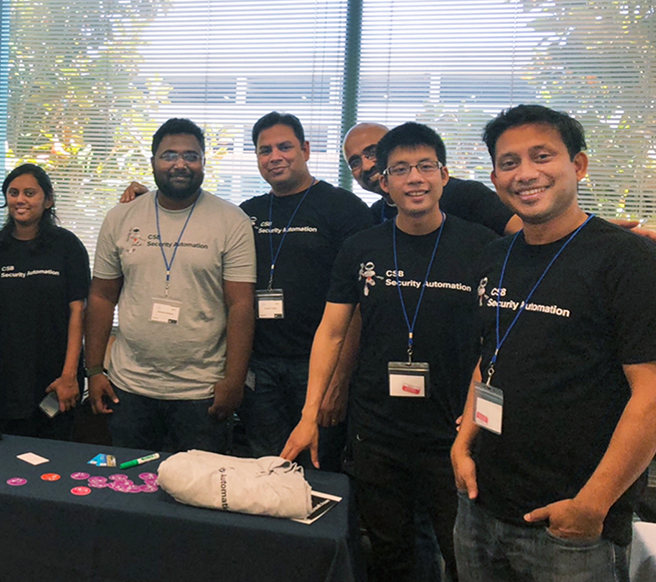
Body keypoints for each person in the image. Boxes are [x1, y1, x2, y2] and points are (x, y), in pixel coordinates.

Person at [282, 122, 498, 582]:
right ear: (385, 181)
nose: (414, 178)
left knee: (463, 555)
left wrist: (478, 413)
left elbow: (497, 340)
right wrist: (309, 413)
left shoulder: (483, 247)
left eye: (425, 167)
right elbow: (332, 332)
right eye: (400, 169)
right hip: (376, 430)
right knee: (389, 552)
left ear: (444, 175)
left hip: (452, 433)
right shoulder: (361, 248)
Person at [452, 104, 656, 582]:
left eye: (541, 156)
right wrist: (462, 445)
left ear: (578, 166)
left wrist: (593, 504)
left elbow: (650, 394)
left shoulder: (628, 260)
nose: (525, 174)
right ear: (495, 176)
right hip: (481, 504)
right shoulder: (495, 256)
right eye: (509, 162)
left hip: (568, 524)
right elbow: (491, 358)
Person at [85, 118, 256, 452]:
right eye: (169, 155)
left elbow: (241, 305)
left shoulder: (231, 220)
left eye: (191, 156)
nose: (180, 164)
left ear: (204, 162)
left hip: (201, 392)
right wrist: (93, 370)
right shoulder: (120, 218)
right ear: (153, 162)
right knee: (128, 490)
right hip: (129, 387)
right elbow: (102, 296)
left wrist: (234, 381)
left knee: (198, 495)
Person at [235, 112, 371, 468]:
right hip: (259, 365)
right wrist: (148, 198)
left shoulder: (344, 208)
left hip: (317, 368)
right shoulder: (246, 213)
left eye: (285, 147)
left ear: (306, 150)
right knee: (263, 464)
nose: (275, 157)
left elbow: (360, 302)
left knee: (318, 465)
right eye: (265, 150)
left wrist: (340, 378)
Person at [0, 163, 90, 440]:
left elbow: (78, 312)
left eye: (30, 193)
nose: (20, 200)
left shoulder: (67, 246)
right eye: (13, 192)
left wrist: (69, 375)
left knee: (51, 462)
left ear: (48, 200)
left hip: (55, 381)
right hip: (4, 380)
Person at [344, 122, 523, 235]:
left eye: (372, 152)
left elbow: (525, 236)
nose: (366, 166)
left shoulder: (466, 195)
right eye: (355, 162)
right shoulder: (375, 216)